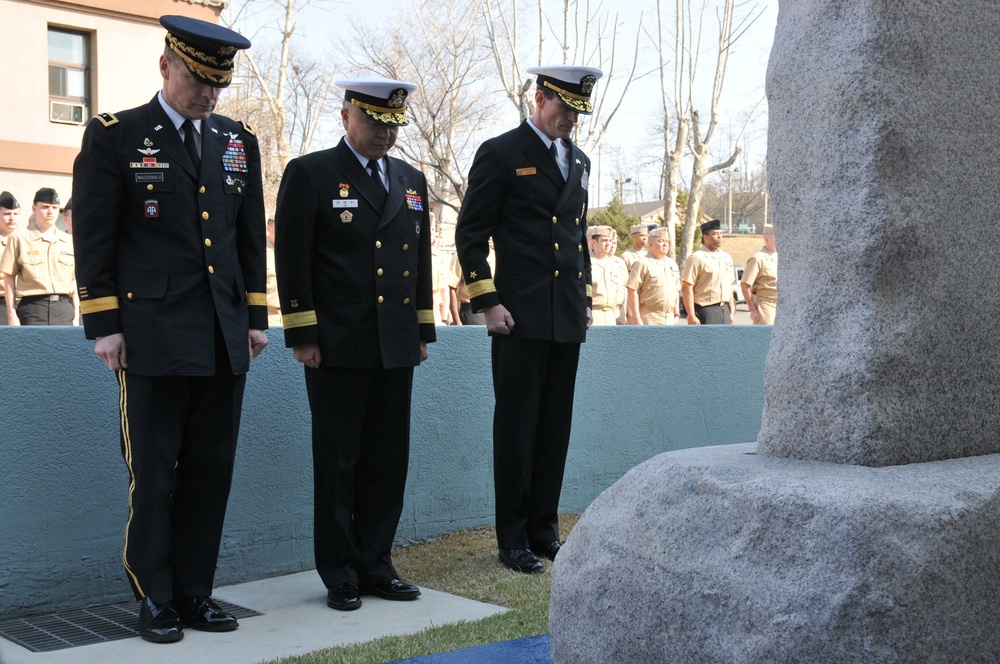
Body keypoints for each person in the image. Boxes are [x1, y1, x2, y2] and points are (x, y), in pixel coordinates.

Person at [71, 15, 266, 644]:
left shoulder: (237, 141)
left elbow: (247, 240)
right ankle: (154, 596)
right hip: (151, 333)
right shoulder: (116, 135)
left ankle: (195, 592)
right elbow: (95, 237)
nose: (209, 95)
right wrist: (104, 324)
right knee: (155, 472)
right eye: (198, 80)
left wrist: (255, 319)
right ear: (166, 66)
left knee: (211, 469)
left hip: (221, 334)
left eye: (219, 84)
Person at [274, 76, 436, 612]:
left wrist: (421, 329)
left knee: (388, 460)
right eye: (374, 123)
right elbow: (294, 259)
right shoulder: (312, 173)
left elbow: (420, 264)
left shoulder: (411, 180)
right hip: (337, 345)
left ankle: (376, 563)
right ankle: (340, 570)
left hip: (394, 344)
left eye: (393, 125)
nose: (385, 134)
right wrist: (301, 333)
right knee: (339, 461)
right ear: (347, 117)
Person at [455, 63, 602, 574]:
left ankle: (544, 530)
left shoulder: (578, 160)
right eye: (563, 108)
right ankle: (512, 538)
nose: (570, 120)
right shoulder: (501, 153)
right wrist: (488, 301)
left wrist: (584, 299)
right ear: (540, 98)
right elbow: (470, 236)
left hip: (564, 317)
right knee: (517, 429)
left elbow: (576, 240)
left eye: (578, 111)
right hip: (517, 315)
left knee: (554, 428)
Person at [1, 188, 78, 326]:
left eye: (54, 208)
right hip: (32, 308)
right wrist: (11, 314)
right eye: (45, 207)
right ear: (34, 208)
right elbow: (9, 277)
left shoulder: (69, 241)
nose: (50, 211)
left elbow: (73, 280)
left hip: (63, 308)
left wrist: (76, 316)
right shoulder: (19, 239)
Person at [681, 219, 735, 325]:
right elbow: (687, 287)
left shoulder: (726, 258)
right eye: (714, 234)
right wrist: (691, 315)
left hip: (724, 309)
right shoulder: (697, 258)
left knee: (724, 341)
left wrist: (732, 311)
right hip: (706, 310)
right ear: (705, 237)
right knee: (708, 342)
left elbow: (729, 286)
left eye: (720, 233)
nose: (719, 236)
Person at [626, 226, 681, 325]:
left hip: (669, 317)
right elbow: (632, 290)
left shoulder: (672, 264)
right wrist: (636, 317)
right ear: (650, 244)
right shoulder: (642, 263)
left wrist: (676, 315)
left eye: (667, 241)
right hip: (650, 316)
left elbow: (676, 291)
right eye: (660, 241)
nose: (665, 244)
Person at [448, 239, 495, 325]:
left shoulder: (494, 254)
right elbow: (452, 287)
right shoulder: (462, 255)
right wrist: (456, 320)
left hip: (494, 308)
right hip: (472, 311)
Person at [588, 225, 626, 325]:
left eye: (610, 240)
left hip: (611, 315)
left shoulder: (614, 265)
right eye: (604, 240)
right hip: (593, 315)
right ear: (593, 242)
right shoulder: (586, 264)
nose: (609, 244)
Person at [741, 223, 778, 325]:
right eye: (776, 236)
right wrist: (753, 309)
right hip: (766, 305)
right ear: (766, 238)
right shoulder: (758, 258)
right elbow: (745, 285)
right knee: (767, 337)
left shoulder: (784, 257)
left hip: (782, 305)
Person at [0, 191, 20, 324]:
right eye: (7, 214)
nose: (12, 218)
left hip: (22, 303)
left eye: (15, 214)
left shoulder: (26, 240)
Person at [265, 217, 282, 327]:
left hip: (289, 316)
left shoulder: (293, 249)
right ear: (268, 227)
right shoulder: (260, 252)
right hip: (269, 318)